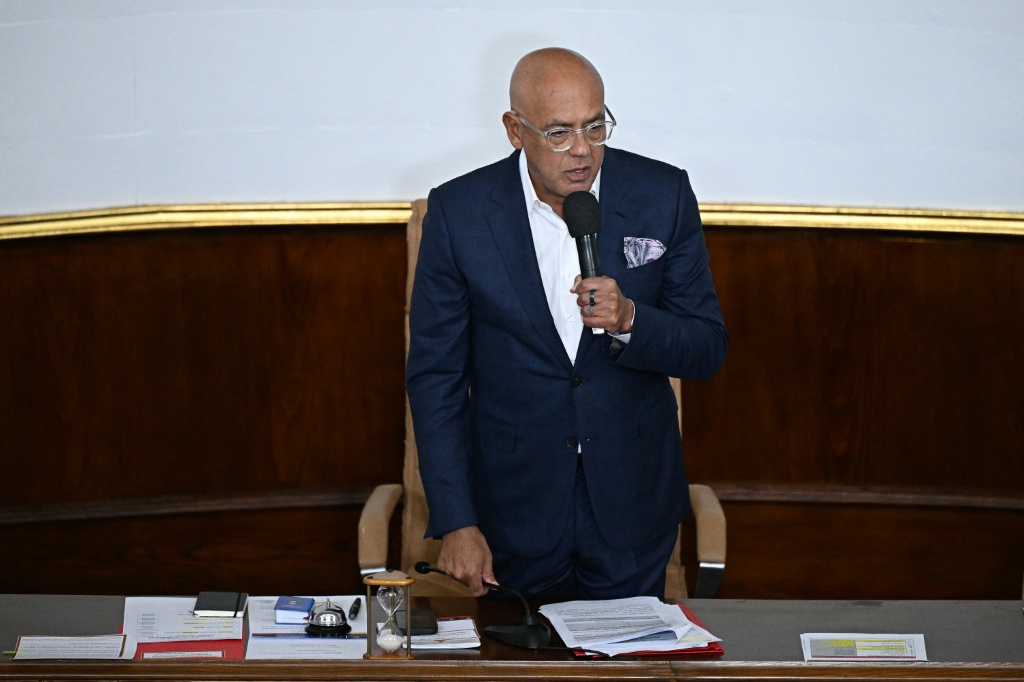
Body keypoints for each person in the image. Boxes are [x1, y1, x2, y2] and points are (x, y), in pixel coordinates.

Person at [406, 47, 727, 601]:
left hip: (632, 505)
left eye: (595, 126)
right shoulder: (460, 212)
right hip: (513, 512)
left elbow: (707, 346)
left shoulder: (662, 194)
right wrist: (458, 520)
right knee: (512, 651)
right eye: (559, 133)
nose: (582, 149)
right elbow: (437, 378)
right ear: (515, 130)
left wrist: (631, 319)